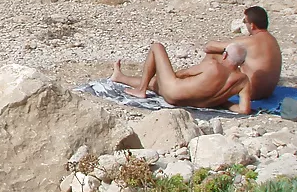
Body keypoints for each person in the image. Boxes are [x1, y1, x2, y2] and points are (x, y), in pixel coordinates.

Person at [111, 42, 251, 113]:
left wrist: (169, 77)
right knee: (157, 83)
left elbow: (183, 73)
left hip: (174, 94)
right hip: (199, 104)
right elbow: (244, 110)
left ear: (225, 55)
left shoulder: (213, 65)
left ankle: (141, 90)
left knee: (157, 47)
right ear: (242, 62)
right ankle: (120, 77)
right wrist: (223, 102)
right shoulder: (243, 81)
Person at [203, 6, 281, 99]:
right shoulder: (272, 40)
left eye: (245, 22)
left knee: (214, 55)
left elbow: (209, 47)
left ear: (252, 25)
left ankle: (202, 86)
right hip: (268, 92)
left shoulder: (250, 41)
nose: (245, 24)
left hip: (251, 92)